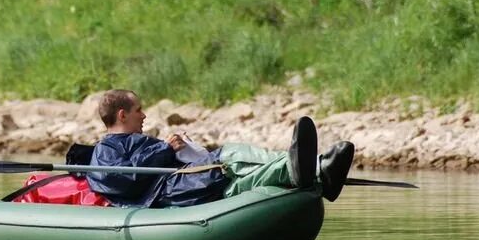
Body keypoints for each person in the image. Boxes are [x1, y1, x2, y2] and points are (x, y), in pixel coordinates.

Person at [86, 89, 354, 207]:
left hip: (183, 178)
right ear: (122, 115)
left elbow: (157, 160)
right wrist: (165, 150)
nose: (144, 115)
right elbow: (122, 180)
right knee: (231, 160)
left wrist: (186, 148)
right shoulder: (105, 150)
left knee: (234, 169)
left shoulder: (144, 140)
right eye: (138, 110)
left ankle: (310, 169)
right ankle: (312, 167)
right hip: (166, 191)